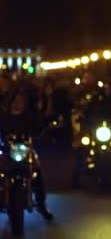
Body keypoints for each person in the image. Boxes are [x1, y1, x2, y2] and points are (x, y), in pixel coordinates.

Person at [0, 83, 54, 220]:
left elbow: (39, 128)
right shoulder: (3, 116)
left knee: (38, 173)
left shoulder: (30, 116)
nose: (19, 103)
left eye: (22, 100)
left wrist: (45, 132)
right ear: (11, 101)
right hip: (7, 151)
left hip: (26, 151)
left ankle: (41, 205)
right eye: (16, 100)